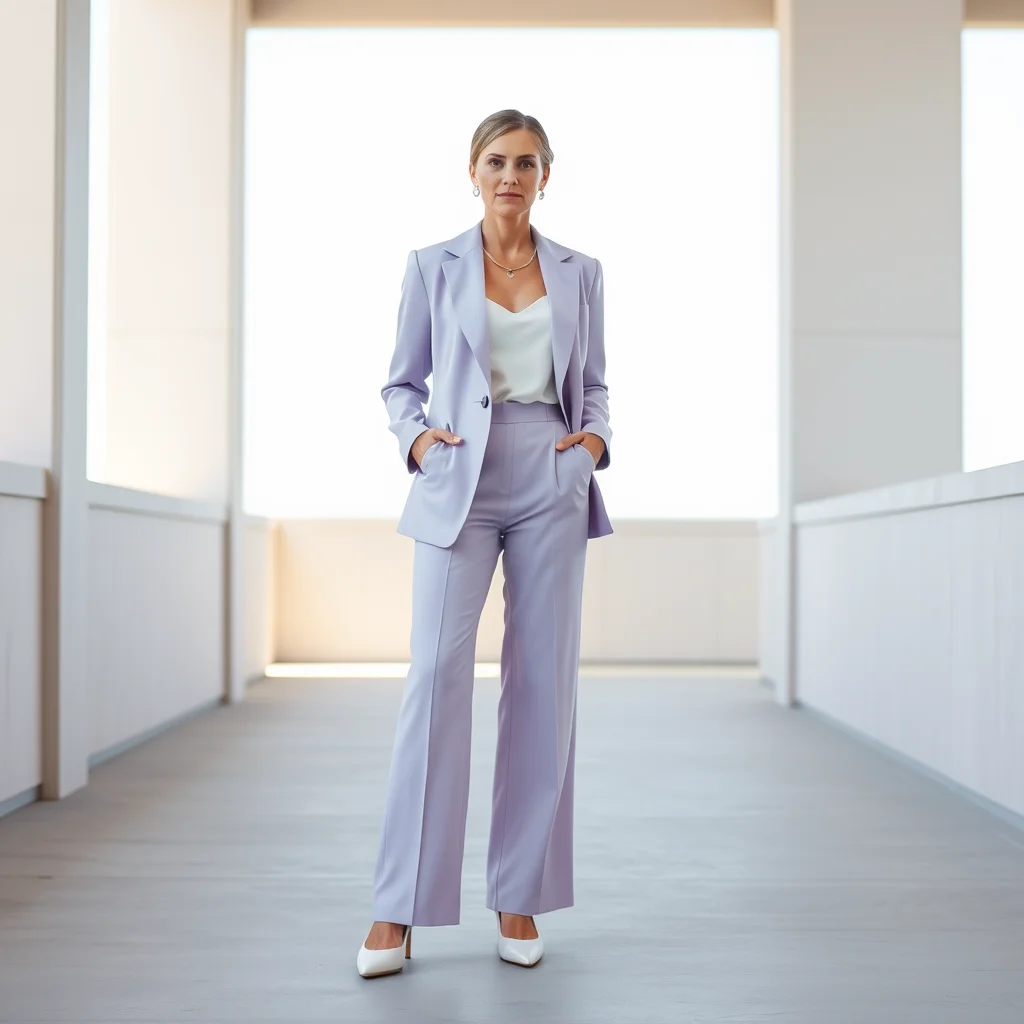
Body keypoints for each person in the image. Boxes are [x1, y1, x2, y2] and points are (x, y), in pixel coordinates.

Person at [357, 108, 613, 979]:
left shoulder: (581, 272)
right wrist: (418, 442)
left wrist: (593, 444)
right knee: (435, 678)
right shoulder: (432, 265)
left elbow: (595, 383)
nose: (511, 175)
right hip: (456, 471)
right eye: (497, 161)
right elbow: (401, 383)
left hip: (550, 470)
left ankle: (520, 894)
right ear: (472, 171)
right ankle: (399, 907)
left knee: (542, 685)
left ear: (547, 176)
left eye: (527, 163)